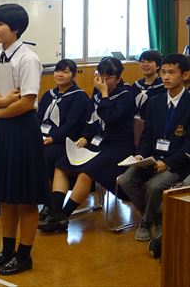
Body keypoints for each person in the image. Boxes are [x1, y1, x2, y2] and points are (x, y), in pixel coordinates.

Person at [0, 3, 47, 276]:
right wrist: (2, 101)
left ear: (15, 28)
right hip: (1, 129)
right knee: (5, 195)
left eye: (0, 24)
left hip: (23, 129)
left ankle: (24, 255)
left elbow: (28, 101)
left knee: (25, 198)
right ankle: (7, 251)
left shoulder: (28, 59)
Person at [39, 56, 135, 233]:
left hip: (117, 145)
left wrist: (104, 94)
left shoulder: (126, 96)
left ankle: (63, 215)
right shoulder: (96, 95)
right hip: (97, 142)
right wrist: (85, 136)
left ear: (118, 78)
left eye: (108, 77)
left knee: (86, 172)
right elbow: (91, 121)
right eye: (100, 76)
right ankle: (56, 212)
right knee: (61, 165)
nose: (103, 81)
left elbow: (110, 118)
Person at [118, 54, 190, 241]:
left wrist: (168, 163)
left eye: (171, 73)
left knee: (153, 186)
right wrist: (140, 155)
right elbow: (147, 135)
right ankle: (156, 216)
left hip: (179, 163)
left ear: (185, 75)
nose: (165, 77)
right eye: (163, 72)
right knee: (124, 180)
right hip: (153, 158)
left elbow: (188, 146)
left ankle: (147, 221)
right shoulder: (155, 102)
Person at [36, 59, 89, 222]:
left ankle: (48, 203)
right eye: (58, 71)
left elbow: (72, 125)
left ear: (73, 75)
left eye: (65, 72)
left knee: (45, 156)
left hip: (65, 142)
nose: (60, 75)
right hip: (44, 138)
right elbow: (37, 118)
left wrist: (52, 138)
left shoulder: (79, 97)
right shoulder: (48, 95)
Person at [129, 50, 165, 119]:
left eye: (150, 62)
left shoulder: (163, 87)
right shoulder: (136, 85)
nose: (145, 64)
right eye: (142, 61)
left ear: (158, 66)